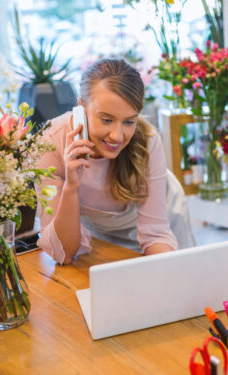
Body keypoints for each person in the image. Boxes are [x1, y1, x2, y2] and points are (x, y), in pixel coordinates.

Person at [36, 58, 190, 264]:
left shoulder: (148, 141)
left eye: (129, 121)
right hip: (102, 233)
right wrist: (71, 187)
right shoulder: (50, 143)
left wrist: (168, 273)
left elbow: (155, 235)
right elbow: (63, 254)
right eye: (106, 120)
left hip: (162, 222)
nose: (117, 136)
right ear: (81, 108)